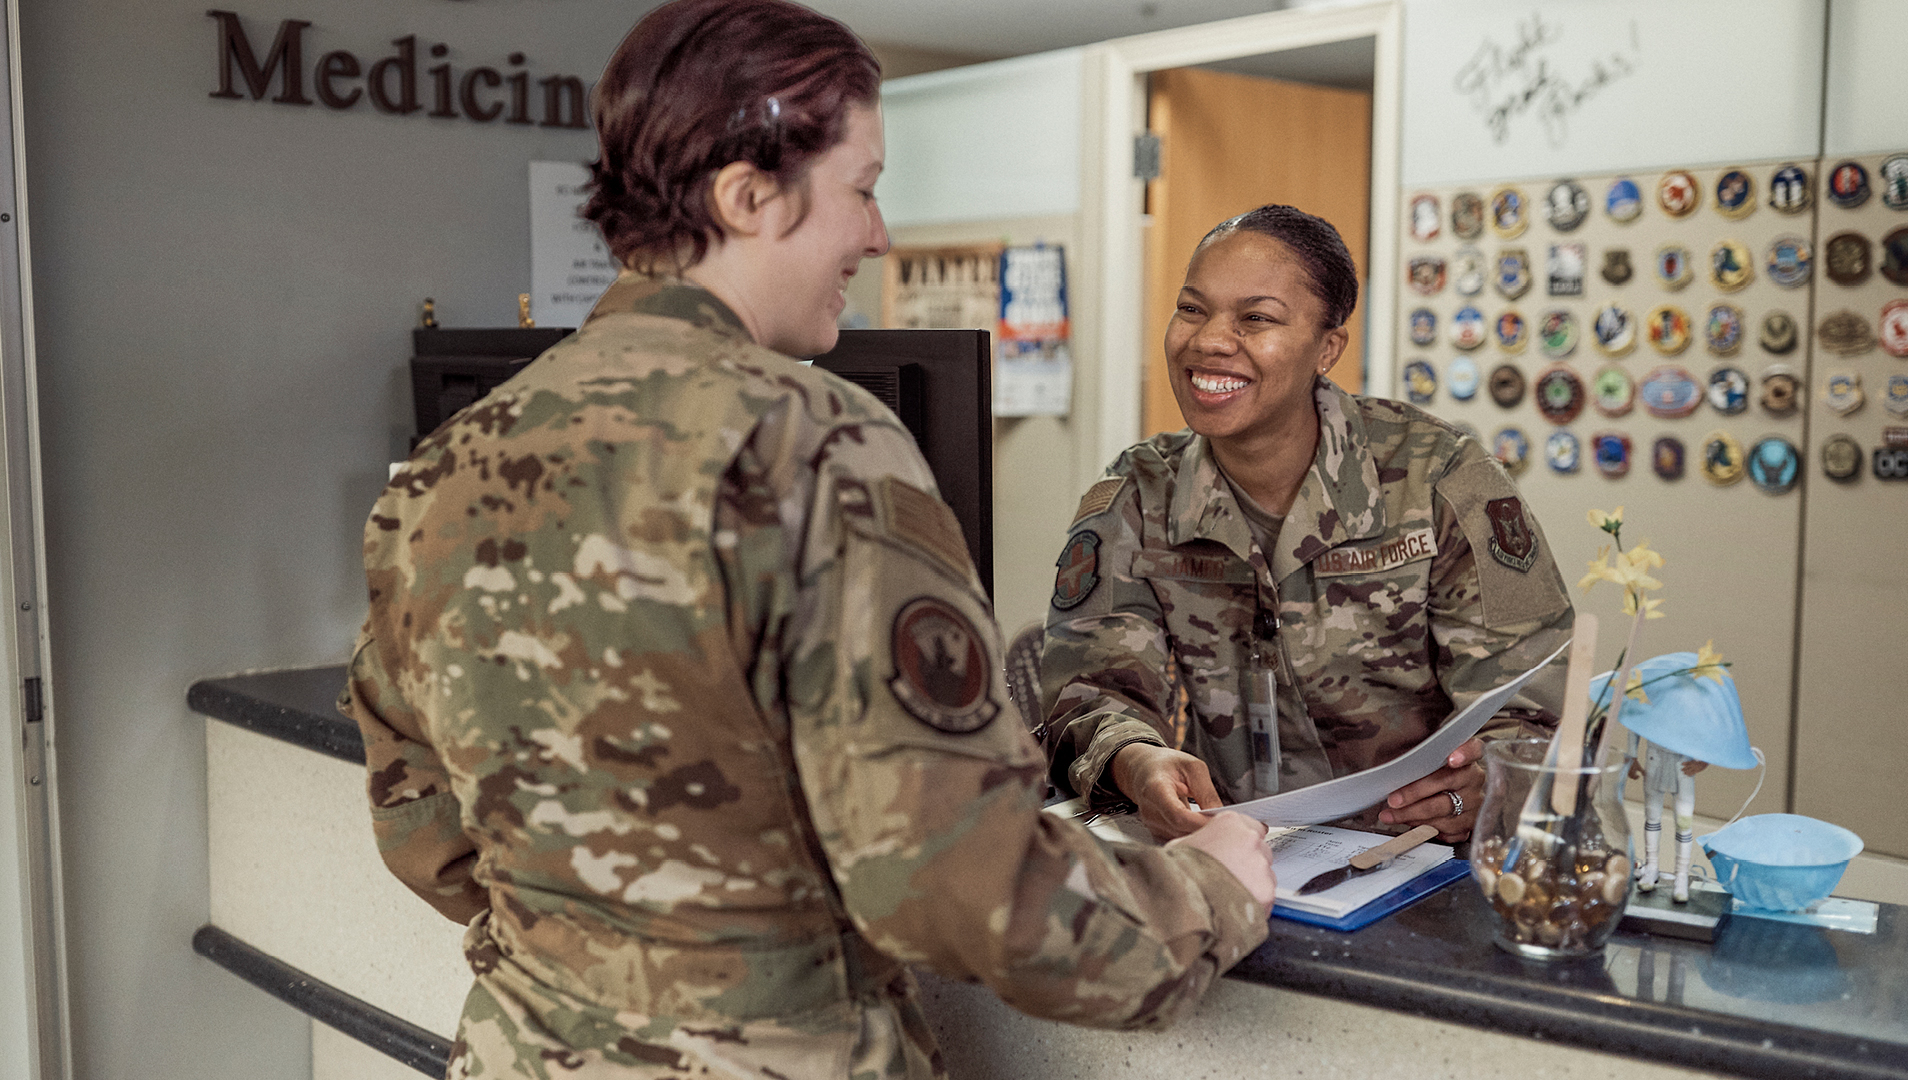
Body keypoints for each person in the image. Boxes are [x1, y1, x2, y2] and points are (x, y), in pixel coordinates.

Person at [340, 3, 1274, 1077]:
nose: (878, 234)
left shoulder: (452, 458)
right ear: (748, 196)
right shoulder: (816, 443)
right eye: (864, 190)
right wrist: (1211, 889)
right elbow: (956, 883)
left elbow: (423, 828)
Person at [1041, 205, 1572, 843]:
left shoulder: (1440, 481)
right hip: (1230, 864)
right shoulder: (1138, 494)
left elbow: (1536, 706)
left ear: (1327, 348)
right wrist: (1134, 761)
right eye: (1192, 309)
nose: (1209, 339)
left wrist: (1489, 781)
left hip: (1421, 866)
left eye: (1256, 318)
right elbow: (1090, 691)